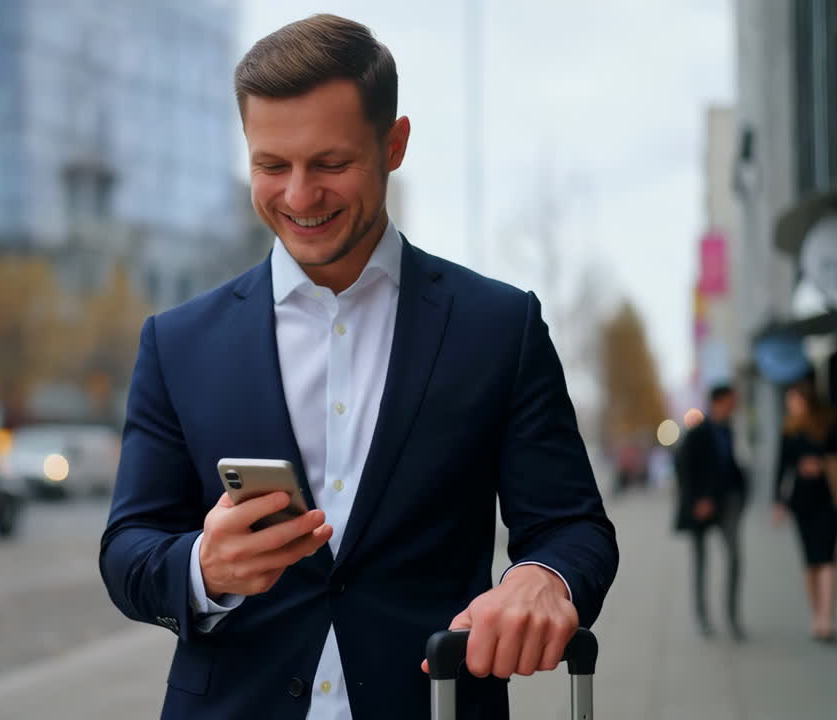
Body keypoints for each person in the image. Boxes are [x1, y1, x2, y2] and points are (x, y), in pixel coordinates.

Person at [99, 15, 619, 719]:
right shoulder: (178, 341)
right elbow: (128, 548)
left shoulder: (499, 327)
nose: (299, 196)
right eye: (272, 165)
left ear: (394, 144)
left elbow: (573, 526)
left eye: (331, 164)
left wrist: (541, 577)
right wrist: (201, 570)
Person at [673, 384, 749, 640]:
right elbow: (683, 467)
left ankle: (732, 617)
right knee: (700, 562)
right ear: (719, 401)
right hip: (702, 506)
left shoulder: (728, 430)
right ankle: (702, 618)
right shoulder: (698, 432)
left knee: (735, 557)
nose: (735, 404)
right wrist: (698, 499)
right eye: (731, 400)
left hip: (728, 502)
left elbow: (730, 465)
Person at [774, 379, 837, 643]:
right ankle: (815, 615)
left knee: (826, 558)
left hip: (830, 500)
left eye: (795, 400)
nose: (791, 405)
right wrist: (778, 502)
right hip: (802, 503)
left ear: (807, 402)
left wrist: (822, 465)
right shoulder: (789, 431)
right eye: (789, 401)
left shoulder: (830, 426)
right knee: (810, 562)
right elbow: (781, 466)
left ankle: (828, 617)